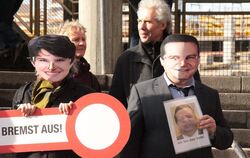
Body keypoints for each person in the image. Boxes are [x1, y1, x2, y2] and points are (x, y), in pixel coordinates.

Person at [120, 34, 233, 158]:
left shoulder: (209, 95)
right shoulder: (142, 93)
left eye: (190, 57)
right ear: (162, 61)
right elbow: (129, 142)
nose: (183, 63)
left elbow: (227, 140)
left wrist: (214, 131)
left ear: (198, 60)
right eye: (174, 58)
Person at [12, 34, 94, 158]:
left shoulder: (86, 95)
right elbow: (13, 141)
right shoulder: (22, 94)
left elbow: (95, 138)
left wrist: (77, 114)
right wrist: (20, 116)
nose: (51, 67)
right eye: (43, 60)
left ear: (71, 62)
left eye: (59, 60)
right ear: (33, 62)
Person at [110, 0, 201, 108]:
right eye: (139, 21)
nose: (141, 27)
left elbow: (197, 94)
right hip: (136, 123)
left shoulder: (181, 56)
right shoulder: (126, 59)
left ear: (162, 25)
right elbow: (116, 101)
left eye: (148, 22)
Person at [58, 20, 101, 92]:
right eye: (76, 40)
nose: (82, 43)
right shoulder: (55, 74)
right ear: (63, 43)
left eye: (83, 39)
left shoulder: (90, 78)